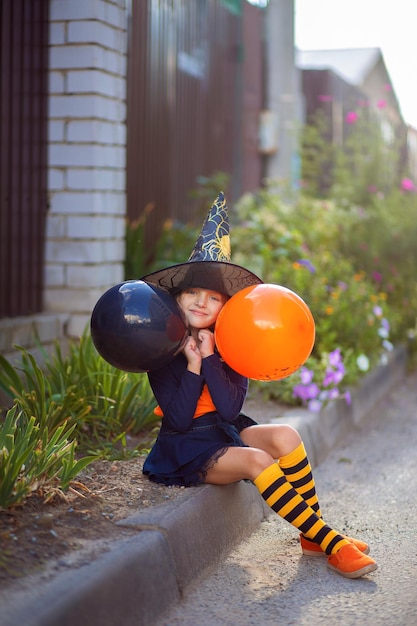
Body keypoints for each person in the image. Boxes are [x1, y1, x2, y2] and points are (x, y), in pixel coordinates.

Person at [142, 192, 377, 579]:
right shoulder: (163, 350)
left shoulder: (236, 343)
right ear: (177, 298)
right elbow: (180, 419)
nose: (201, 303)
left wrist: (214, 358)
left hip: (223, 429)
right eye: (191, 293)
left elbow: (231, 411)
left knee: (285, 434)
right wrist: (193, 363)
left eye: (212, 298)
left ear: (225, 307)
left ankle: (311, 534)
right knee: (256, 461)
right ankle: (333, 543)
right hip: (186, 447)